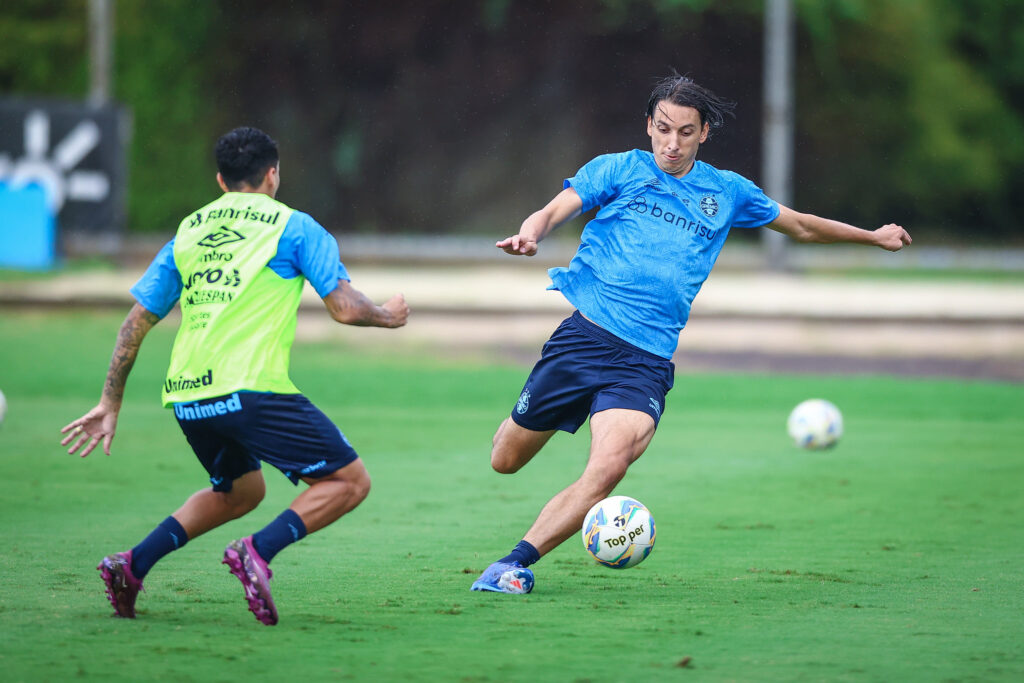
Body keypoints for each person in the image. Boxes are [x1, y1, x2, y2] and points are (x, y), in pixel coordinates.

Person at [471, 74, 911, 594]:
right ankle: (528, 416)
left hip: (645, 363)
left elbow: (802, 226)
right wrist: (532, 233)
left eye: (685, 132)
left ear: (703, 134)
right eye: (662, 130)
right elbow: (554, 209)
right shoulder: (620, 168)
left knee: (609, 467)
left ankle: (512, 564)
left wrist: (872, 237)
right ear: (649, 127)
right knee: (506, 460)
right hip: (583, 340)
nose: (671, 144)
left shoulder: (726, 191)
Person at [61, 127, 409, 624]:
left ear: (221, 180)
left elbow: (135, 321)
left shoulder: (190, 230)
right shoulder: (293, 225)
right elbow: (346, 309)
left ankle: (131, 565)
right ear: (273, 174)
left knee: (241, 491)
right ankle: (258, 551)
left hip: (188, 396)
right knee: (349, 482)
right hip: (251, 390)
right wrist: (387, 314)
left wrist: (109, 402)